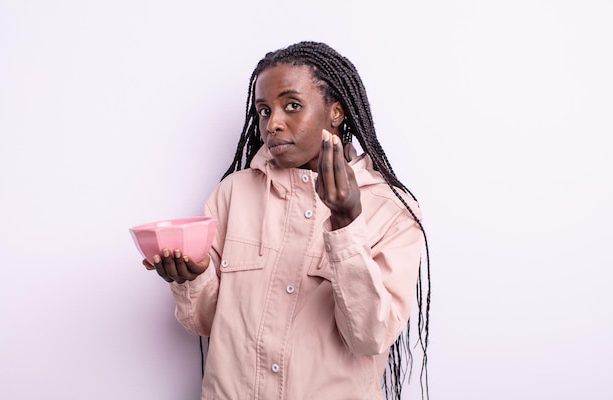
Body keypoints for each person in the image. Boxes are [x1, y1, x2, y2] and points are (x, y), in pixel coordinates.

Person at [143, 41, 430, 400]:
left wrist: (345, 222)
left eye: (292, 105)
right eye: (264, 111)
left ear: (336, 112)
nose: (273, 123)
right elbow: (201, 321)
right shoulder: (232, 194)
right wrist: (190, 279)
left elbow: (368, 337)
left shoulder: (391, 209)